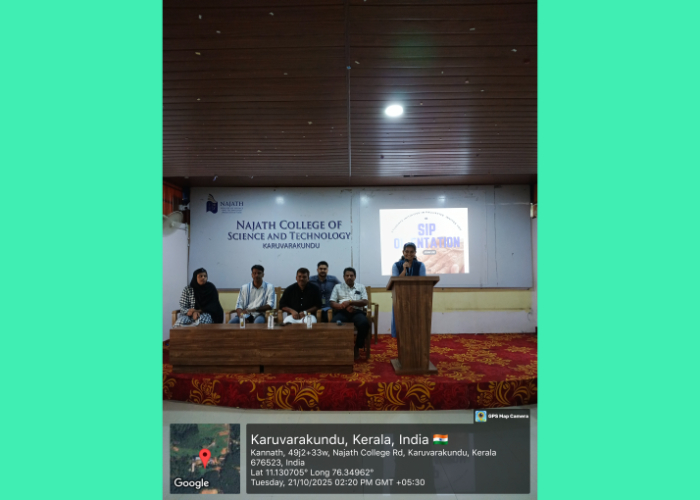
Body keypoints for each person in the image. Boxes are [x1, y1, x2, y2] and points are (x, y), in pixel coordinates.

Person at [330, 267, 370, 360]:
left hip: (357, 312)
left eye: (351, 275)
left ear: (355, 277)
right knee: (333, 323)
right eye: (347, 275)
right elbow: (332, 302)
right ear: (344, 277)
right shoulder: (337, 287)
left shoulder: (361, 287)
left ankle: (357, 347)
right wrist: (344, 306)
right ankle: (340, 347)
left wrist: (351, 302)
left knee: (364, 324)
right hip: (342, 312)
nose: (349, 277)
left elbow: (365, 301)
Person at [391, 242, 426, 338]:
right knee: (401, 326)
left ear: (415, 253)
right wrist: (404, 270)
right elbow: (396, 282)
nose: (409, 254)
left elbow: (423, 283)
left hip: (416, 299)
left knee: (415, 327)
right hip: (400, 298)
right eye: (407, 251)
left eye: (411, 252)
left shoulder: (420, 265)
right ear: (403, 252)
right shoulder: (396, 265)